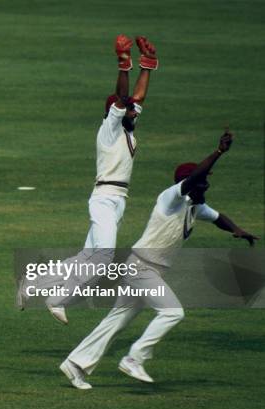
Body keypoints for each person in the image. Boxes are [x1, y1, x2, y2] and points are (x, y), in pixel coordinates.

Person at [60, 129, 259, 389]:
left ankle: (74, 364)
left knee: (116, 321)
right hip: (142, 268)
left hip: (148, 270)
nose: (207, 185)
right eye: (203, 181)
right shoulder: (171, 198)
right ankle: (135, 358)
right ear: (189, 183)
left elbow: (218, 217)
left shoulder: (196, 206)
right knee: (173, 312)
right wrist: (219, 152)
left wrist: (237, 230)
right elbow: (194, 179)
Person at [19, 35, 159, 324]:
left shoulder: (129, 126)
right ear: (114, 113)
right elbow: (124, 98)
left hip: (117, 202)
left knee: (87, 257)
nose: (134, 110)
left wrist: (148, 65)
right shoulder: (110, 128)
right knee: (104, 259)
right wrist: (124, 64)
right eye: (128, 108)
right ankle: (57, 298)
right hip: (105, 199)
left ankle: (32, 283)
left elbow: (138, 98)